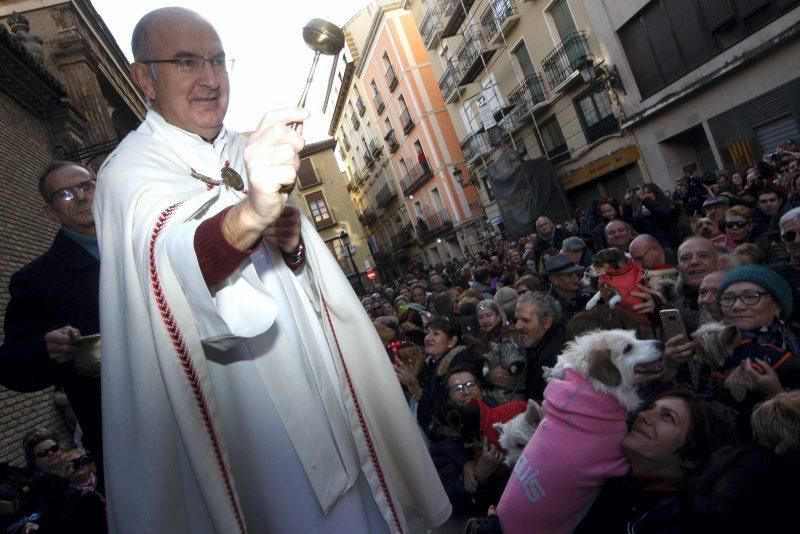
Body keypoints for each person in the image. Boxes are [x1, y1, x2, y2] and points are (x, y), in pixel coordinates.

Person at [93, 8, 449, 532]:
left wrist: (292, 244)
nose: (210, 78)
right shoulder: (128, 172)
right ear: (143, 77)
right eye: (187, 62)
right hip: (241, 412)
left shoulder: (244, 146)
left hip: (322, 384)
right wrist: (253, 213)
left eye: (217, 61)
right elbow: (171, 264)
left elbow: (299, 267)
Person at [0, 162, 103, 478]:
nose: (83, 197)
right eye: (66, 194)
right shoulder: (37, 279)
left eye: (87, 186)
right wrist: (45, 348)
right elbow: (11, 366)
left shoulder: (145, 243)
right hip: (118, 424)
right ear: (50, 212)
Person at [575, 389, 737, 533]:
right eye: (649, 408)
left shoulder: (674, 522)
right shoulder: (606, 475)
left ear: (691, 458)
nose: (643, 415)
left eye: (668, 417)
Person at [543, 255, 585, 327]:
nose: (576, 279)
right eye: (569, 275)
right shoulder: (550, 309)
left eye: (575, 273)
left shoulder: (586, 295)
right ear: (555, 280)